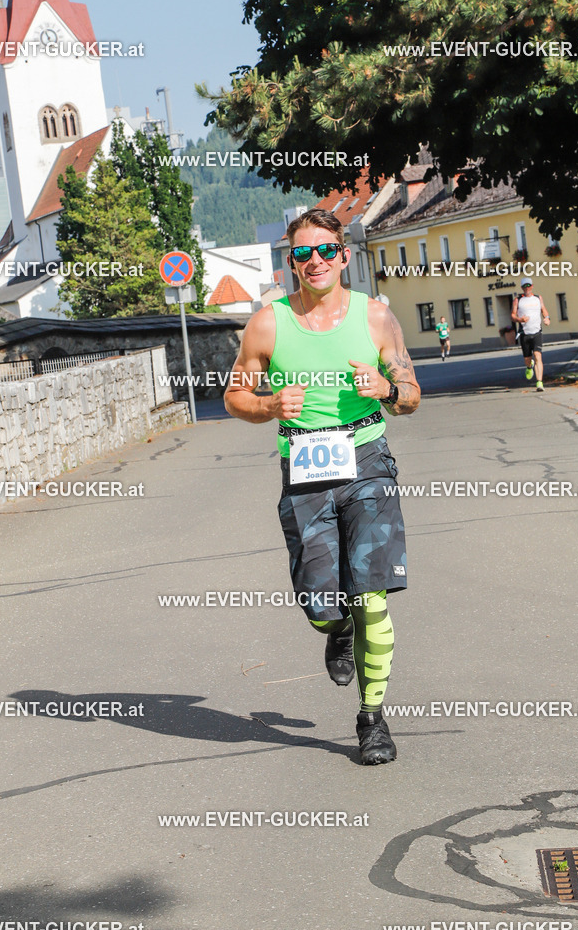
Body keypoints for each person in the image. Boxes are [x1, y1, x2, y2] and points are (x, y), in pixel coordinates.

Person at [223, 208, 420, 765]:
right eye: (303, 254)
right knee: (321, 603)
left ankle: (372, 717)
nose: (315, 262)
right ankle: (336, 628)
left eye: (325, 251)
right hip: (305, 469)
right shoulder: (267, 323)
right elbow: (235, 397)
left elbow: (410, 394)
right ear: (292, 261)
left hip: (367, 459)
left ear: (344, 255)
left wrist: (384, 386)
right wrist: (267, 404)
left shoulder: (376, 317)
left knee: (372, 595)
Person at [511, 277, 550, 391]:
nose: (527, 288)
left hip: (537, 332)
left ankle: (539, 382)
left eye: (529, 286)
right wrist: (520, 319)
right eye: (525, 286)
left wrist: (547, 318)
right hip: (525, 333)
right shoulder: (518, 300)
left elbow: (543, 309)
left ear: (532, 286)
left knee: (538, 356)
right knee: (527, 359)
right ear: (522, 288)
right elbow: (512, 315)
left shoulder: (538, 298)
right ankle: (529, 367)